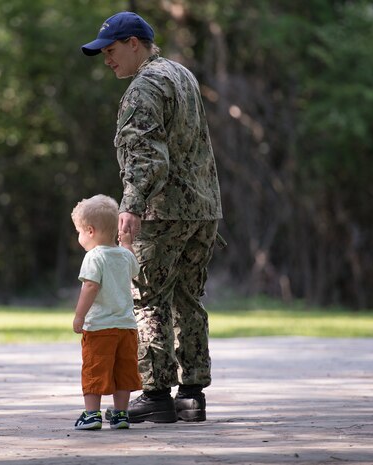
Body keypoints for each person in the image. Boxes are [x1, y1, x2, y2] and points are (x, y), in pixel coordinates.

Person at [81, 11, 223, 423]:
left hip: (162, 213)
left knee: (148, 300)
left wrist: (131, 205)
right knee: (189, 300)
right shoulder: (181, 74)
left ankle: (157, 394)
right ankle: (192, 394)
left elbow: (146, 155)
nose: (107, 59)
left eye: (111, 50)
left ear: (134, 44)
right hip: (203, 209)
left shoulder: (143, 87)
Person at [71, 194, 142, 430]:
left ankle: (92, 415)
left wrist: (79, 316)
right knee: (123, 371)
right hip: (127, 327)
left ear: (90, 231)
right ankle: (121, 414)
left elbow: (90, 286)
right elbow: (134, 268)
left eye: (79, 232)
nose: (79, 237)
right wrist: (128, 243)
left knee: (95, 369)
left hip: (100, 327)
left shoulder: (94, 257)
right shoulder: (124, 255)